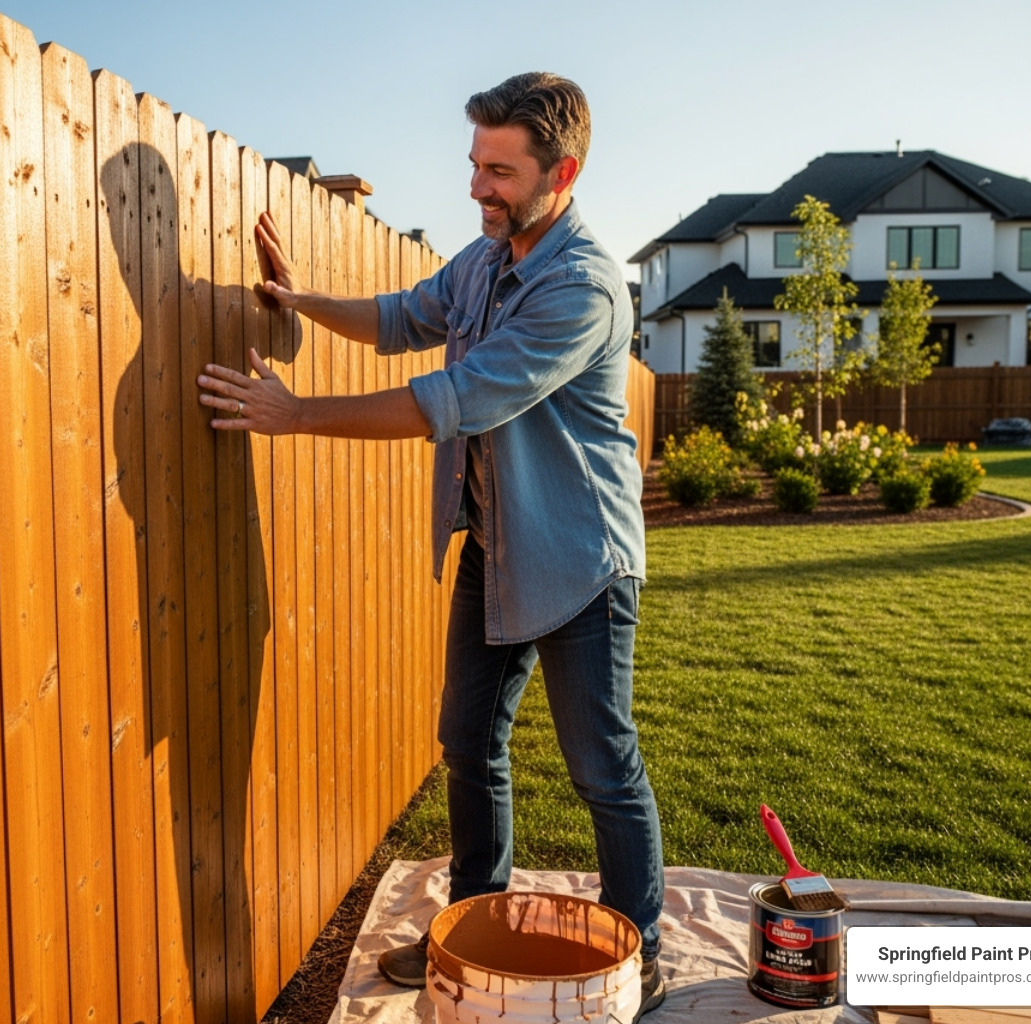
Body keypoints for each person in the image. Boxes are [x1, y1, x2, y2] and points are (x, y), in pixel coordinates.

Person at [197, 72, 664, 1018]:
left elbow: (455, 399)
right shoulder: (486, 260)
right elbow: (404, 316)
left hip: (581, 560)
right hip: (498, 547)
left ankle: (641, 947)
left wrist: (296, 415)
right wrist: (299, 299)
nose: (477, 188)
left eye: (499, 170)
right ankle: (473, 923)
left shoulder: (580, 289)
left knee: (600, 765)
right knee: (467, 743)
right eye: (475, 165)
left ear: (560, 170)